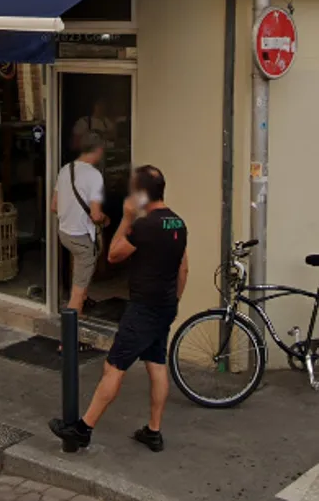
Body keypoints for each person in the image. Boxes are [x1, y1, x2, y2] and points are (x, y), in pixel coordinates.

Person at [49, 165, 188, 453]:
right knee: (157, 364)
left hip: (142, 310)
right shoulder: (178, 224)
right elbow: (184, 268)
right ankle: (153, 430)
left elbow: (113, 255)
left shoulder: (144, 226)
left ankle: (82, 429)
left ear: (141, 194)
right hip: (164, 307)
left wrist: (126, 218)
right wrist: (174, 301)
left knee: (114, 366)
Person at [53, 133, 107, 340]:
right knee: (77, 290)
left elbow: (54, 206)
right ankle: (67, 340)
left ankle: (80, 310)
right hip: (82, 238)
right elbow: (95, 214)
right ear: (99, 150)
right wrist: (105, 220)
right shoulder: (94, 176)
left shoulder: (66, 169)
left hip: (65, 233)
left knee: (79, 273)